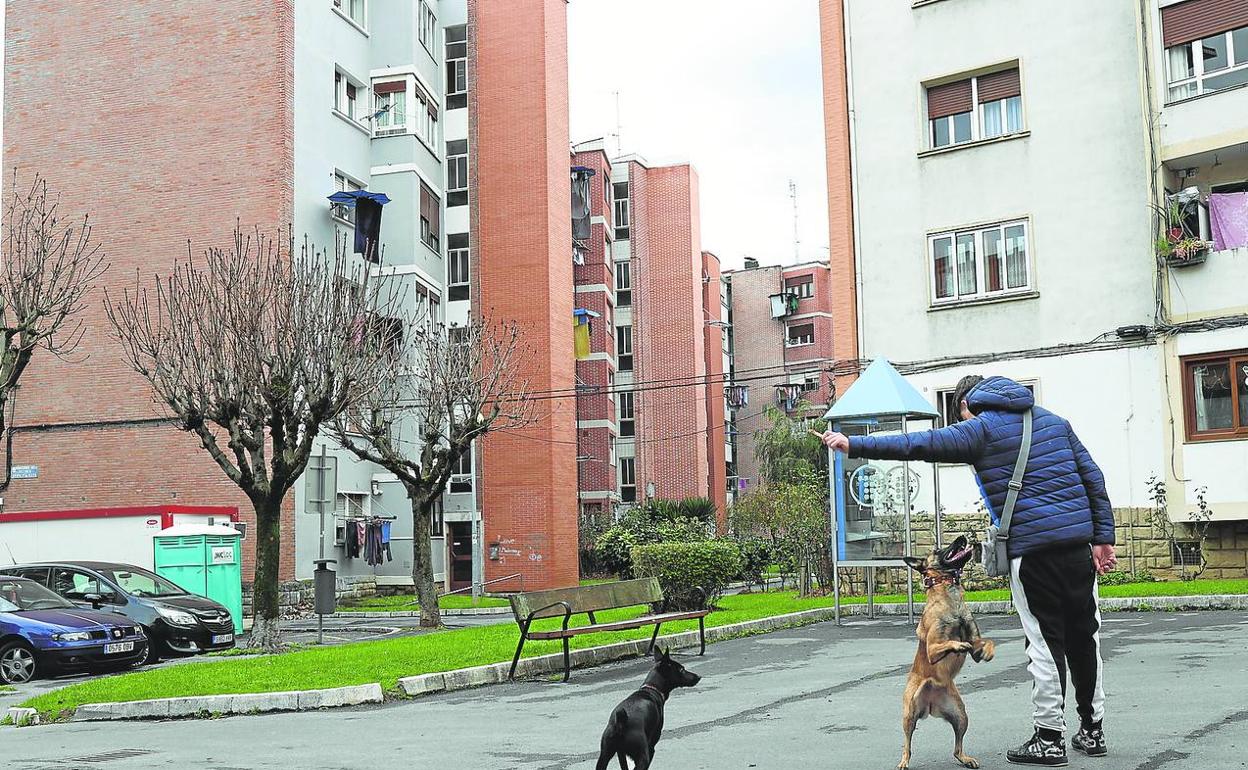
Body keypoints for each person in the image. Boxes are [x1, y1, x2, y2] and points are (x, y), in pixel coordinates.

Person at [822, 374, 1116, 765]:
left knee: (1045, 644)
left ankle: (1049, 738)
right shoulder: (1054, 422)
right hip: (1078, 549)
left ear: (966, 406)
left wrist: (854, 443)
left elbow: (919, 445)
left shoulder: (980, 428)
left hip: (1034, 555)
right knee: (1085, 638)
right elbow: (1093, 478)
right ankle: (1092, 731)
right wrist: (1103, 538)